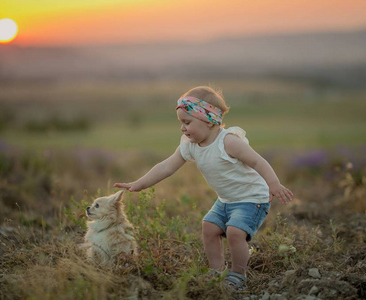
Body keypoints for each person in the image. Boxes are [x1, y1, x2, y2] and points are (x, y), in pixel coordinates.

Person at [114, 86, 293, 291]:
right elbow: (166, 166)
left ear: (209, 120)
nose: (182, 128)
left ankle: (237, 275)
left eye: (187, 122)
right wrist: (139, 183)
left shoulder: (228, 142)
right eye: (181, 122)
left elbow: (258, 162)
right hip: (226, 200)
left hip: (252, 198)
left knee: (235, 233)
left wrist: (274, 184)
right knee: (209, 227)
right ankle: (216, 272)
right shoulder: (189, 145)